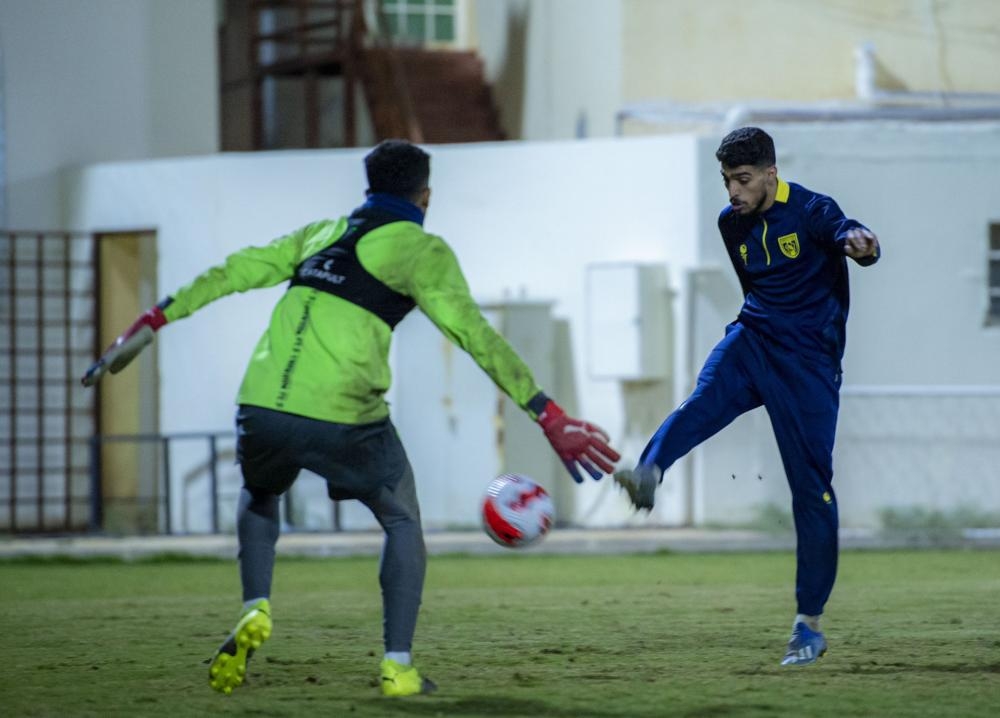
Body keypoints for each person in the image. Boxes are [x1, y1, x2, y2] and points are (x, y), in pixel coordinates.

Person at [84, 140, 620, 696]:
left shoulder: (318, 234)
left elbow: (233, 271)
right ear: (425, 195)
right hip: (344, 413)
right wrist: (547, 413)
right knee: (401, 518)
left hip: (260, 405)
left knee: (260, 493)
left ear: (369, 188)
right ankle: (398, 666)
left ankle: (255, 604)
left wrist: (154, 319)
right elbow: (474, 335)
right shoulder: (421, 249)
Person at [614, 127, 880, 666]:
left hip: (808, 365)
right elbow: (754, 285)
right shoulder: (729, 223)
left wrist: (864, 244)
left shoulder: (811, 210)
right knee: (703, 399)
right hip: (754, 338)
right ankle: (649, 470)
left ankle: (808, 625)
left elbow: (848, 233)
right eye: (726, 181)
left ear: (770, 174)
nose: (733, 191)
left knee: (811, 491)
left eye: (742, 179)